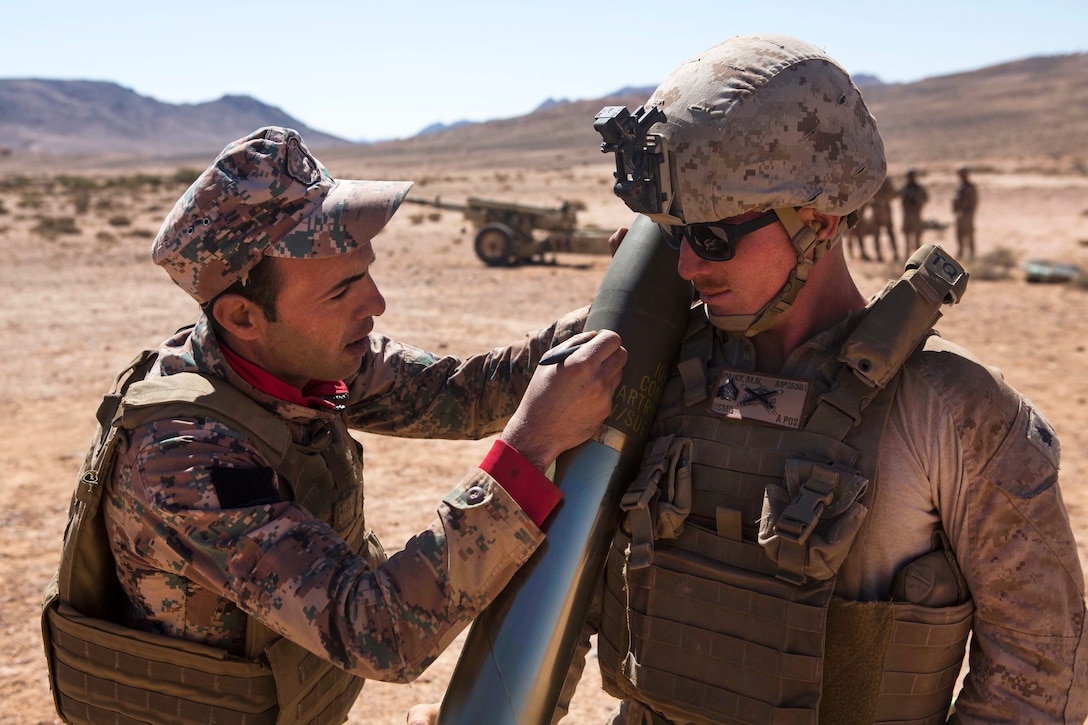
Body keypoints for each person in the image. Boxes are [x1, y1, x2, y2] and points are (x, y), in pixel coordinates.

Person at [540, 34, 1082, 724]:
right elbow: (565, 601)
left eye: (714, 236)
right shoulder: (653, 360)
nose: (686, 269)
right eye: (675, 234)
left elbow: (1039, 668)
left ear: (818, 223)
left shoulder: (953, 408)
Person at [40, 126, 627, 724]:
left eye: (366, 272)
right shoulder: (185, 459)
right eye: (343, 289)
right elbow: (381, 631)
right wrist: (528, 450)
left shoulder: (299, 360)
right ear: (242, 315)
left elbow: (464, 394)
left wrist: (628, 298)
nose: (375, 303)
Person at [868, 175, 899, 260]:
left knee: (883, 232)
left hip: (879, 209)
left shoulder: (873, 179)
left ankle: (883, 254)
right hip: (882, 209)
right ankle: (890, 253)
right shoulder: (882, 180)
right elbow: (894, 194)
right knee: (881, 232)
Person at [899, 168, 929, 252]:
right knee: (907, 236)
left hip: (916, 214)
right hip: (907, 214)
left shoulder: (919, 188)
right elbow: (895, 194)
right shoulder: (904, 188)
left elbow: (925, 199)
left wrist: (917, 199)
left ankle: (918, 254)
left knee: (917, 237)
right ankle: (907, 253)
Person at [953, 166, 979, 259]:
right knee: (959, 235)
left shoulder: (970, 187)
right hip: (960, 214)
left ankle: (971, 255)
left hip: (967, 215)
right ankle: (960, 253)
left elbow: (973, 202)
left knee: (969, 235)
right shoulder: (960, 186)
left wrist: (968, 213)